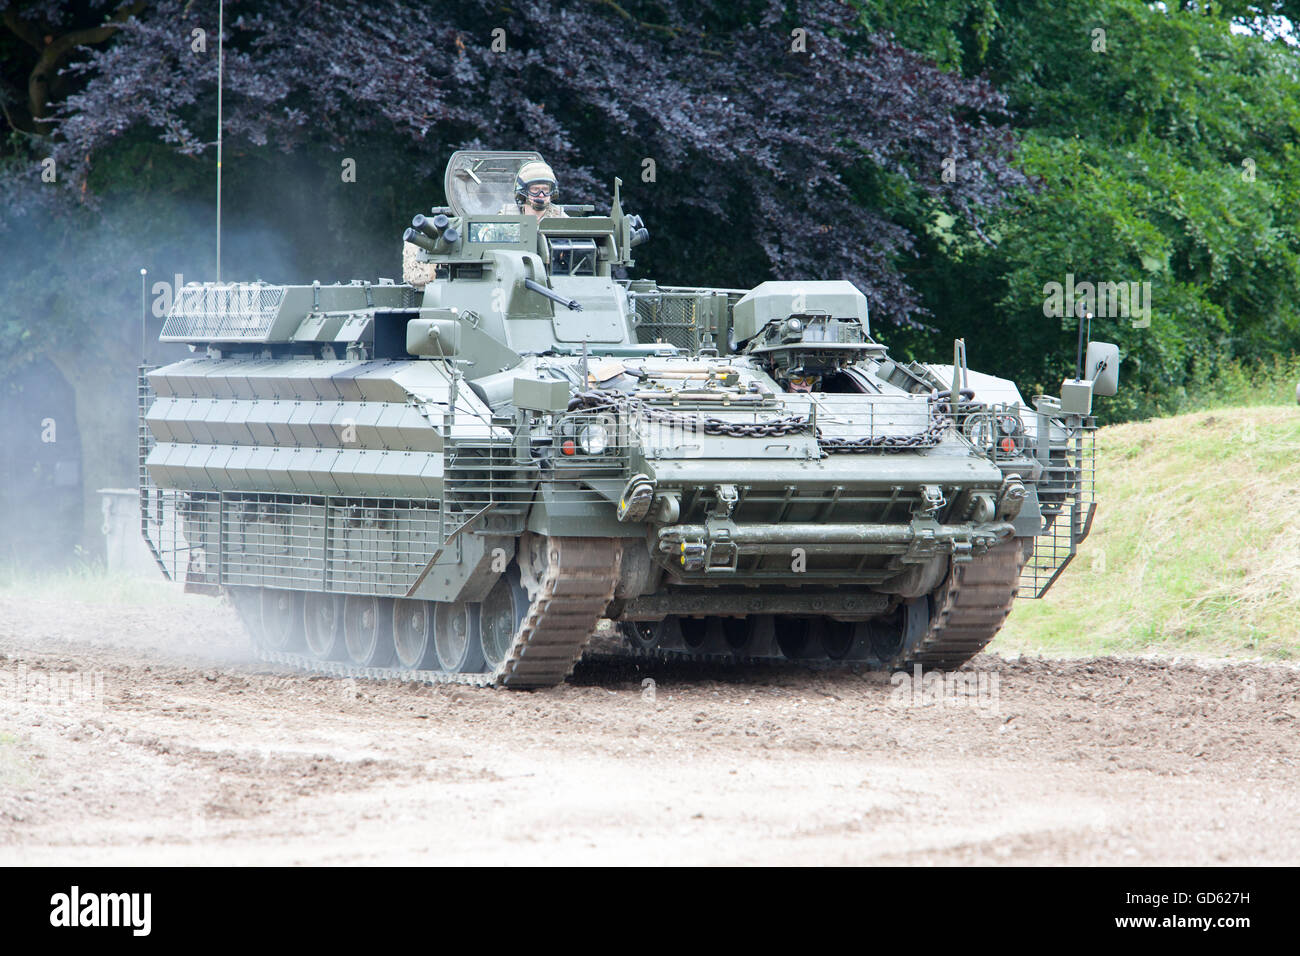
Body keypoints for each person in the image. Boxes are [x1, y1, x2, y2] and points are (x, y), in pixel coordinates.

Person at [498, 160, 568, 219]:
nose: (541, 195)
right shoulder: (506, 217)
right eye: (535, 189)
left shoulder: (561, 218)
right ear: (523, 192)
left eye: (545, 189)